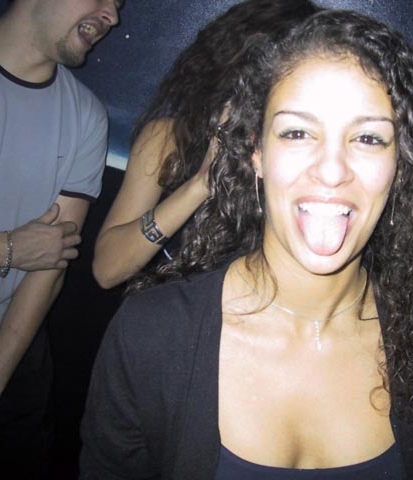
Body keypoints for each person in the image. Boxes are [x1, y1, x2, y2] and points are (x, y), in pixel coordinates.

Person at [80, 9, 413, 479]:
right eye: (298, 132)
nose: (332, 170)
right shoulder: (151, 336)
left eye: (369, 138)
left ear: (402, 164)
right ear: (256, 153)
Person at [0, 0, 122, 478]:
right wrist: (7, 248)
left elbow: (50, 263)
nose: (113, 16)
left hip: (8, 347)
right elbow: (31, 251)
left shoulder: (87, 115)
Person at [92, 0, 321, 289]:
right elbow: (107, 270)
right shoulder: (168, 139)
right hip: (162, 311)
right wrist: (201, 183)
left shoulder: (307, 158)